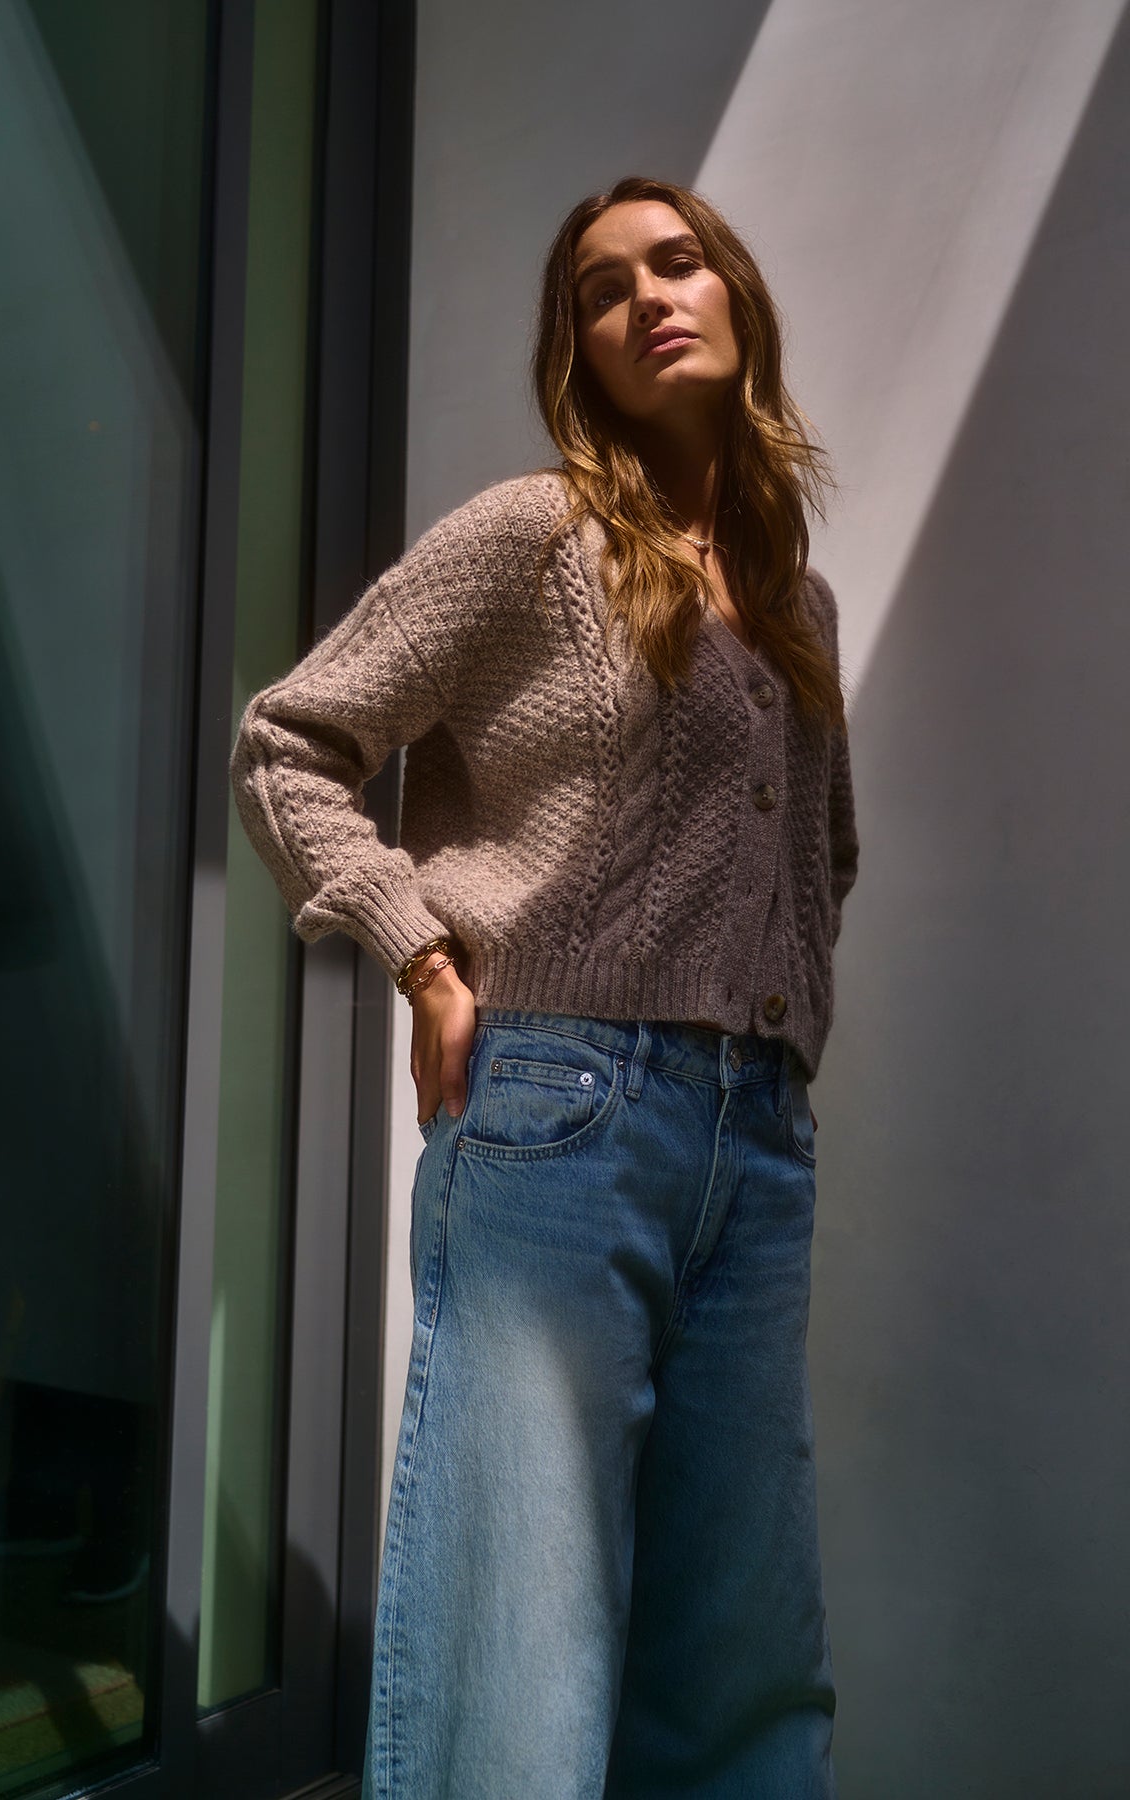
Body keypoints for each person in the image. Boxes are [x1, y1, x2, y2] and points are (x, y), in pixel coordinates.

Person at [230, 174, 859, 1800]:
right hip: (559, 1122)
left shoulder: (797, 599)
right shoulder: (532, 538)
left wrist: (774, 1032)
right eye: (602, 288)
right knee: (524, 1646)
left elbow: (820, 858)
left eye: (679, 259)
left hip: (757, 1147)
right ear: (578, 353)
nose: (650, 294)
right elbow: (290, 740)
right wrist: (420, 951)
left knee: (740, 1659)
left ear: (736, 295)